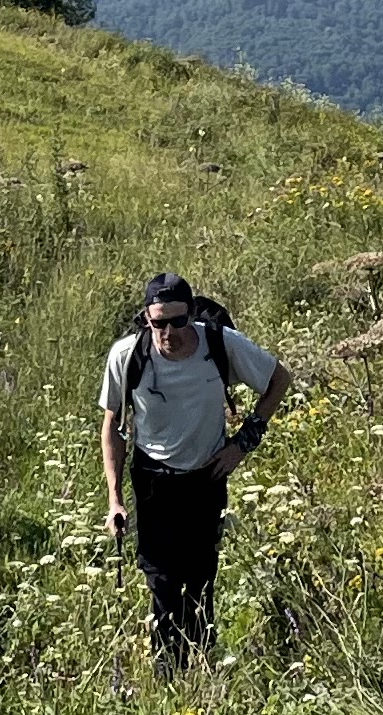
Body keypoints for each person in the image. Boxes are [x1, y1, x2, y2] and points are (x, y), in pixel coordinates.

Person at [97, 271, 286, 669]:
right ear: (147, 318)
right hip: (153, 481)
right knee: (162, 582)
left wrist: (243, 443)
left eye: (179, 320)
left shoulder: (219, 344)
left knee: (201, 576)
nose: (169, 331)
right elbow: (112, 426)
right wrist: (114, 499)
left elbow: (278, 379)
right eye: (159, 322)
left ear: (192, 315)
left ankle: (202, 664)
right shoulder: (128, 356)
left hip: (206, 478)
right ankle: (170, 675)